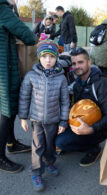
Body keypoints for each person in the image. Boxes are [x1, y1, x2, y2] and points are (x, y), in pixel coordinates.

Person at [18, 39, 70, 191]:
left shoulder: (61, 78)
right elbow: (24, 97)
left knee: (50, 145)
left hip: (54, 120)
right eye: (45, 56)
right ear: (39, 57)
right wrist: (23, 117)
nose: (48, 60)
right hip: (37, 120)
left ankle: (49, 162)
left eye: (52, 57)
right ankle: (36, 171)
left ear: (56, 58)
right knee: (37, 146)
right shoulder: (31, 76)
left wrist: (63, 121)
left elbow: (65, 101)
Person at [55, 47, 107, 167]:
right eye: (74, 63)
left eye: (80, 62)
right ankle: (78, 141)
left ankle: (94, 148)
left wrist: (91, 129)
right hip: (82, 122)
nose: (77, 66)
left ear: (89, 62)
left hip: (99, 128)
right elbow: (79, 107)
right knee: (53, 131)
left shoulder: (103, 84)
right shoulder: (77, 84)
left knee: (61, 142)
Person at [0, 0, 36, 173]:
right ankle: (0, 156)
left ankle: (11, 143)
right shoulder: (2, 8)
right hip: (4, 68)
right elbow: (27, 36)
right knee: (6, 111)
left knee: (7, 108)